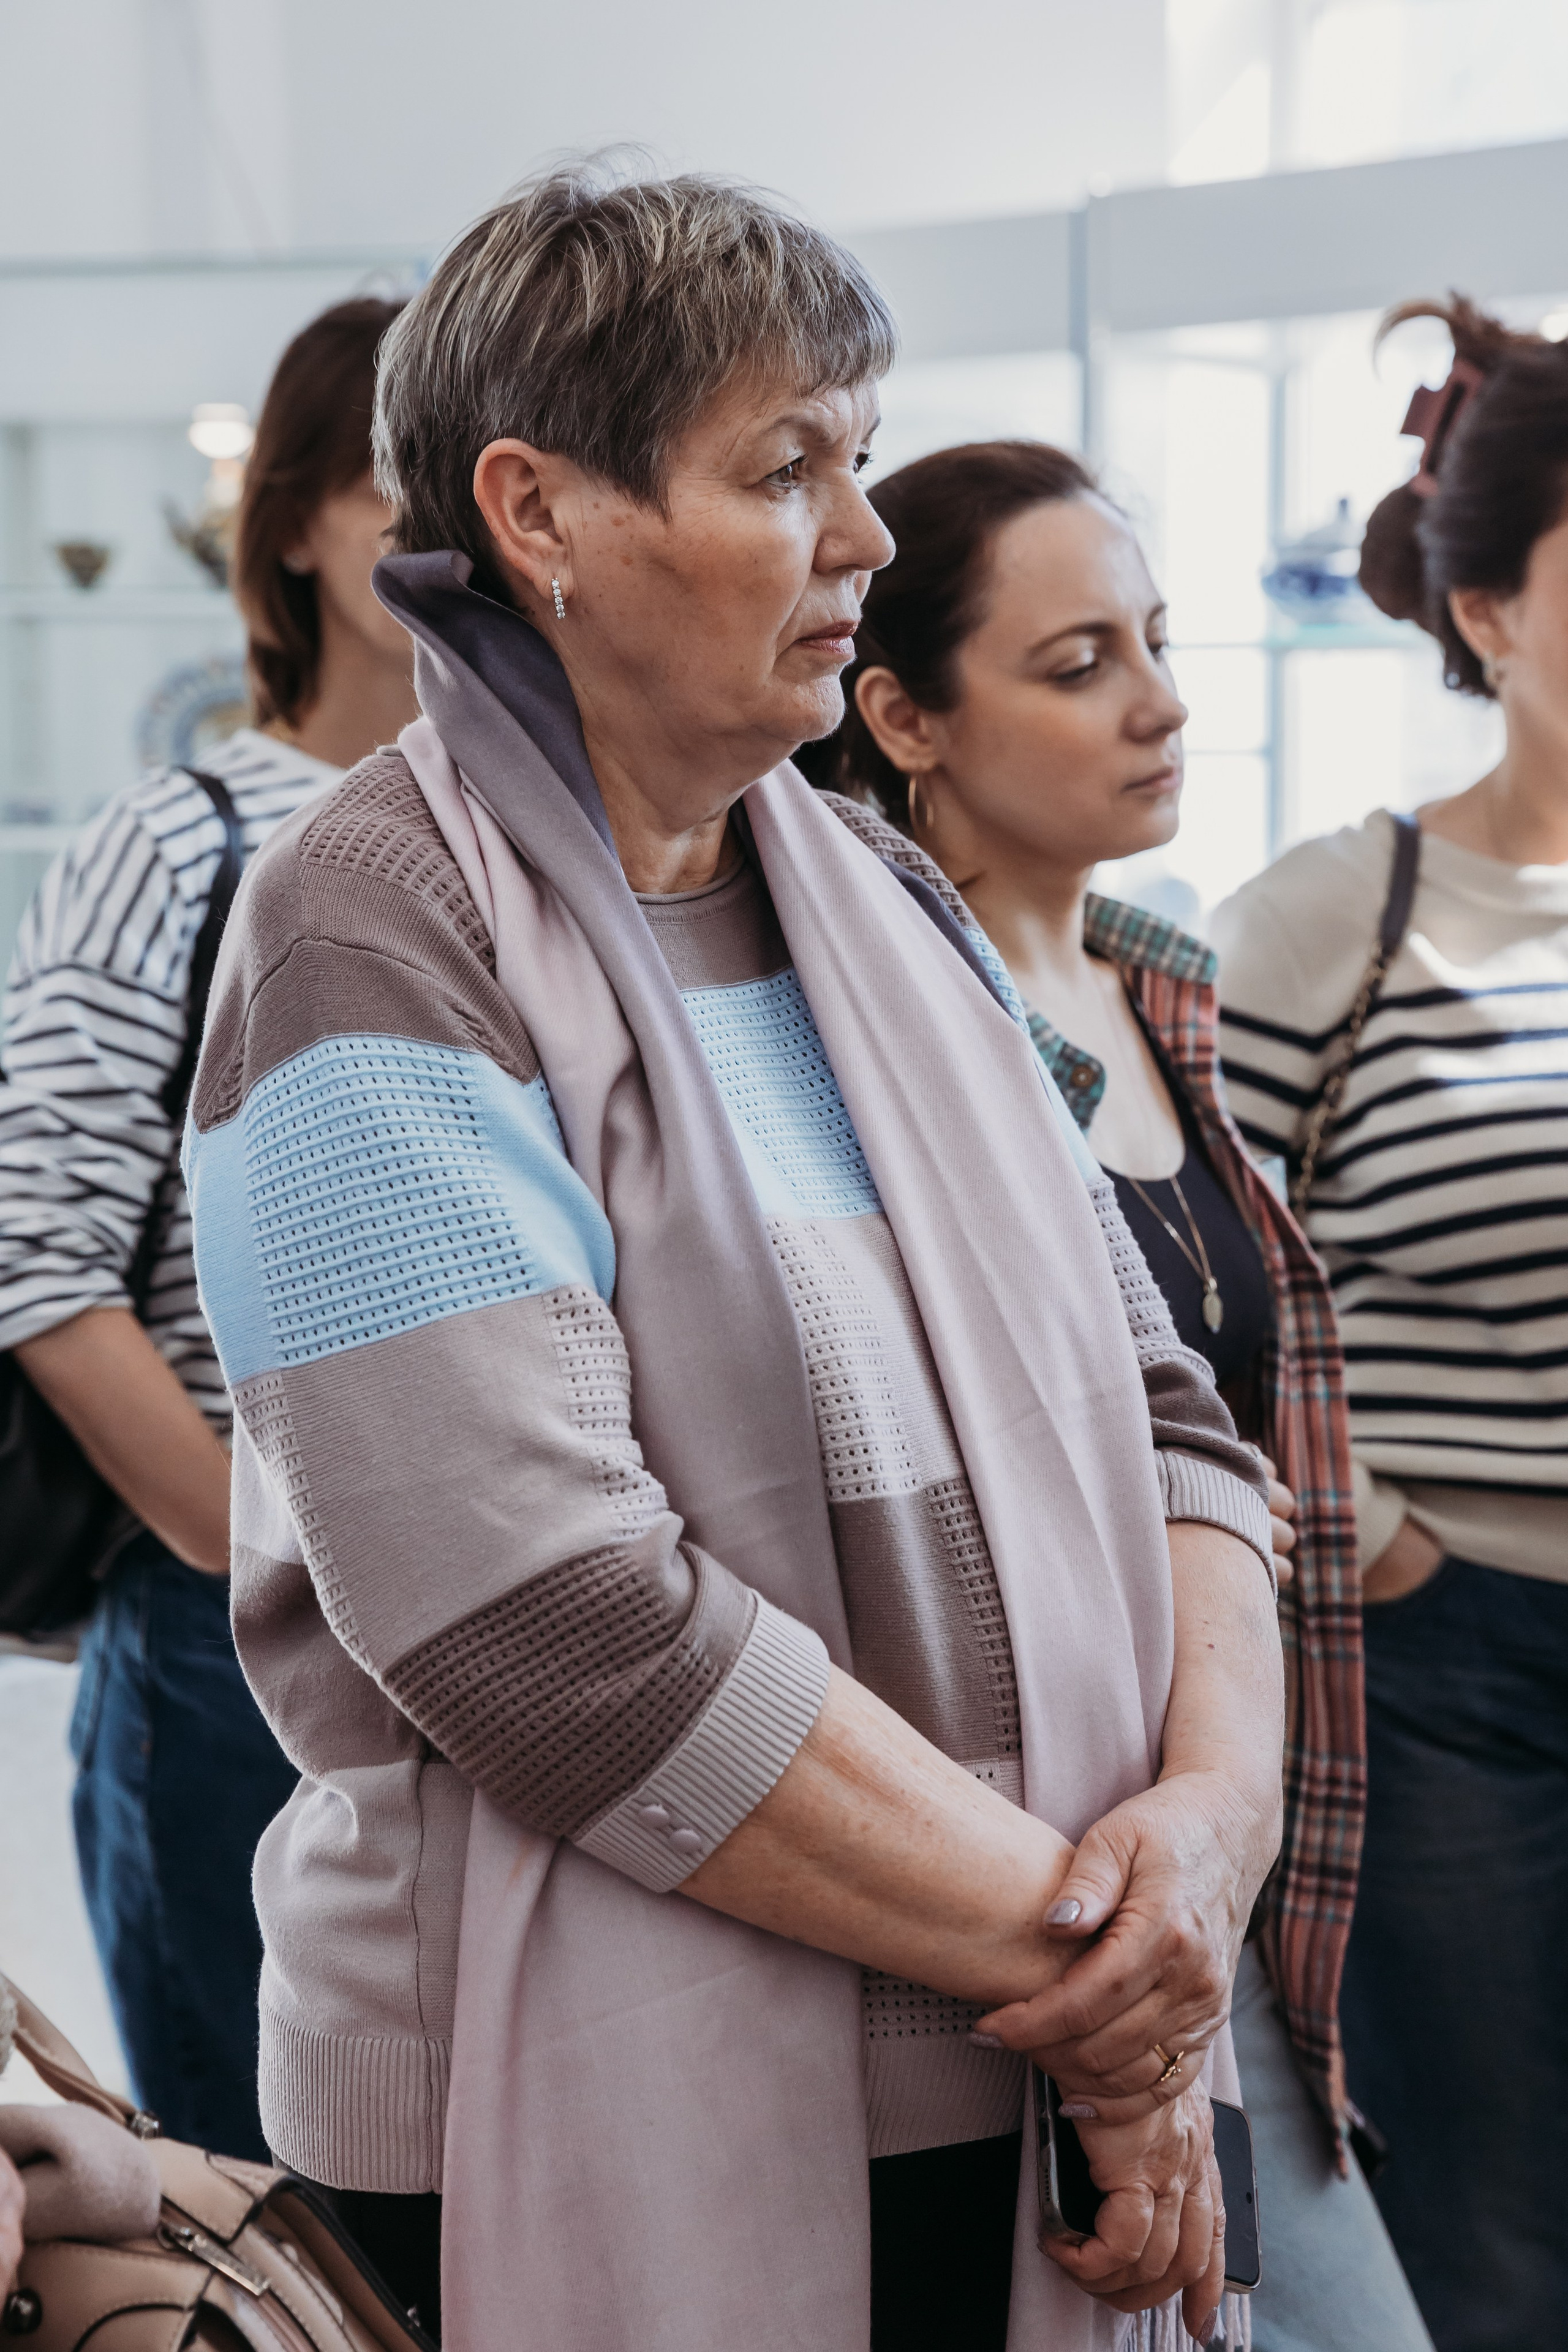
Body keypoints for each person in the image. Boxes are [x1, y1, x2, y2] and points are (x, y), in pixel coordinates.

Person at [184, 164, 1283, 2352]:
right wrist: (1107, 1974)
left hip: (1027, 2039)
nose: (863, 538)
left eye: (857, 461)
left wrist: (1206, 1848)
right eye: (785, 469)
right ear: (541, 513)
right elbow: (537, 1618)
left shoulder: (880, 899)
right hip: (592, 2093)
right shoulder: (367, 925)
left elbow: (1176, 1421)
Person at [802, 437, 1434, 2352]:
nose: (1159, 702)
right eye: (1075, 664)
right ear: (902, 714)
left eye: (1154, 641)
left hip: (1236, 1850)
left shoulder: (1162, 985)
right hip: (1054, 1893)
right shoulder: (902, 1050)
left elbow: (1228, 1407)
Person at [0, 296, 416, 2161]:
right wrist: (252, 1538)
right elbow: (29, 1245)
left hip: (527, 1613)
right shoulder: (182, 836)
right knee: (255, 2212)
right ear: (305, 522)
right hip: (235, 1628)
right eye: (409, 480)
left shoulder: (557, 851)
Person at [1210, 296, 1568, 2352]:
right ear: (1493, 613)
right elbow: (1160, 1272)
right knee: (1497, 2232)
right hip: (1459, 1677)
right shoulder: (1347, 917)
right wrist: (1385, 1530)